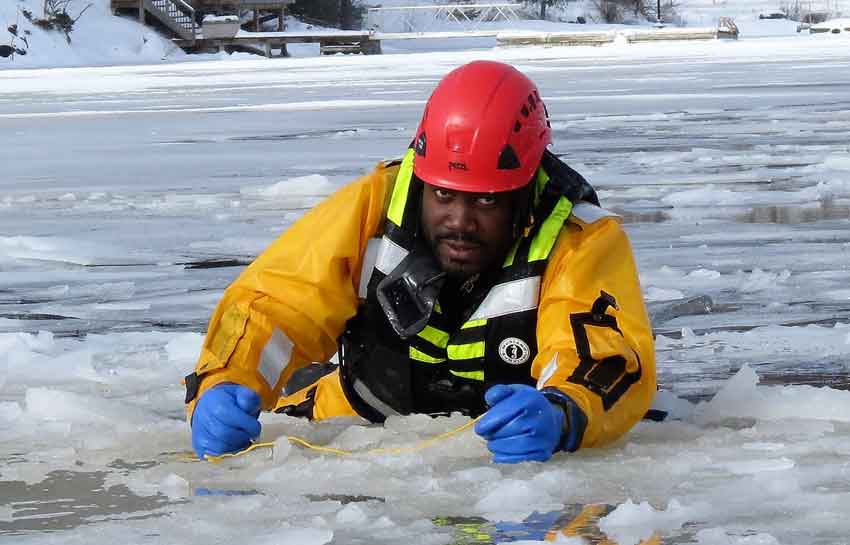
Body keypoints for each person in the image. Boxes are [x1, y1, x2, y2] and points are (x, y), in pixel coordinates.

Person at [185, 60, 656, 463]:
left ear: (523, 193)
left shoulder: (581, 240)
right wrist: (225, 381)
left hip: (507, 452)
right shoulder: (371, 206)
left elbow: (604, 354)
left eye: (486, 203)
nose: (460, 221)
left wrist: (563, 413)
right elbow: (276, 303)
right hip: (350, 430)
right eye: (445, 195)